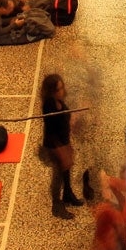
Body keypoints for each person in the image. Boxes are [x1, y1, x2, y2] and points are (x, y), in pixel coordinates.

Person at [40, 73, 82, 219]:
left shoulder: (59, 101)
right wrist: (62, 152)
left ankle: (68, 194)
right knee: (57, 176)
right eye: (59, 89)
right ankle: (56, 206)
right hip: (54, 147)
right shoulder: (49, 106)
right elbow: (52, 134)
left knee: (66, 171)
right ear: (51, 92)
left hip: (64, 142)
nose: (62, 91)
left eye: (62, 88)